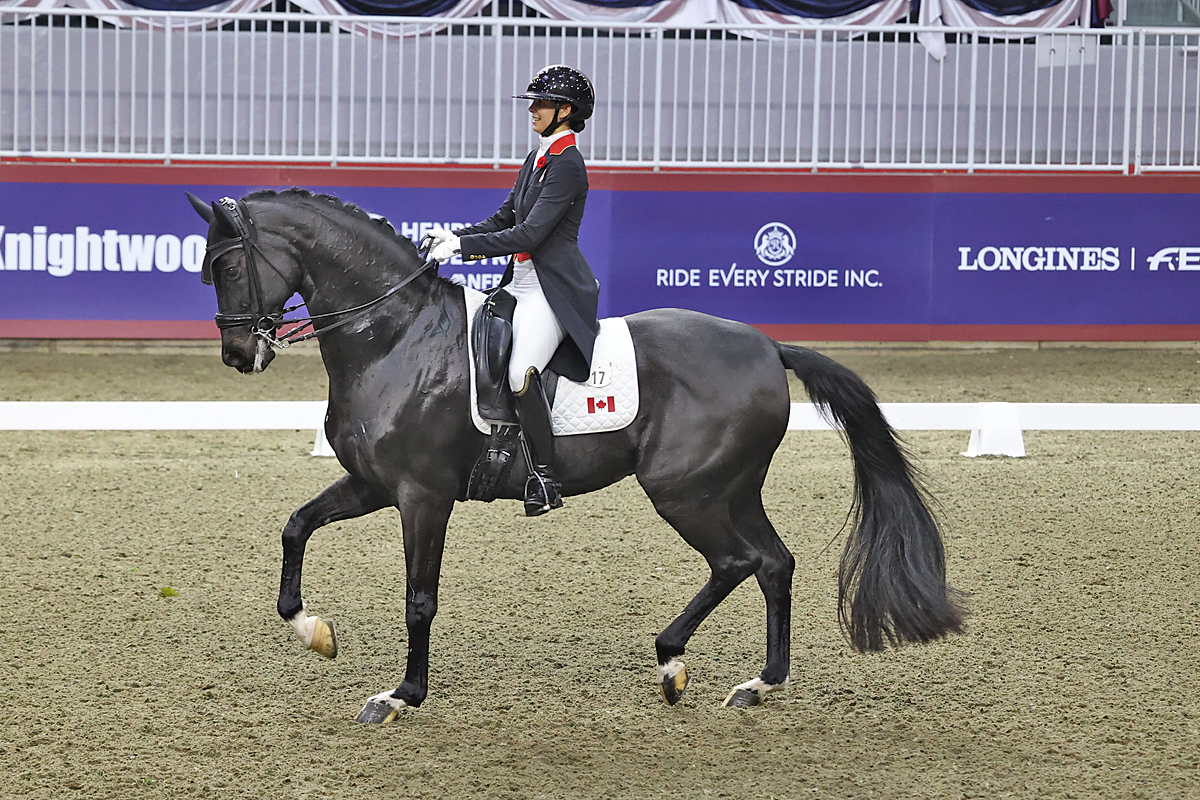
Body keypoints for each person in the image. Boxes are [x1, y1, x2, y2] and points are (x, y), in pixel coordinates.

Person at [427, 65, 600, 517]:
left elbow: (528, 236)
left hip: (551, 290)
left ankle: (544, 476)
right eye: (533, 103)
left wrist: (464, 249)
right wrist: (454, 236)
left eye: (541, 103)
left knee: (523, 371)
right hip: (518, 284)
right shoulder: (538, 157)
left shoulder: (568, 166)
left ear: (565, 111)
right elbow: (506, 217)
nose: (533, 110)